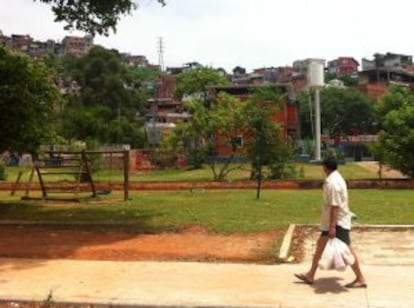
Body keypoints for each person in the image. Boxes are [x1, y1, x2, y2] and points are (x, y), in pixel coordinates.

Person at [294, 156, 367, 288]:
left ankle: (360, 278)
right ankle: (310, 275)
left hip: (337, 223)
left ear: (325, 167)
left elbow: (335, 206)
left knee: (348, 250)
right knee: (320, 246)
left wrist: (332, 227)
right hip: (333, 222)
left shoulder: (333, 183)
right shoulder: (335, 179)